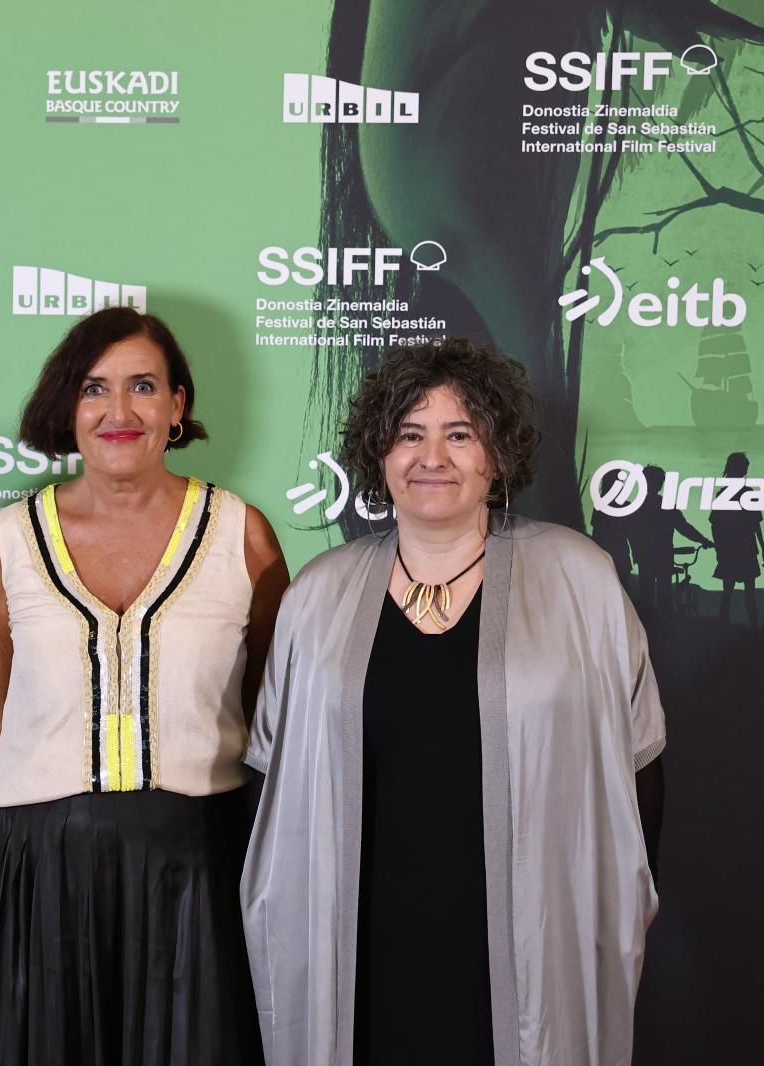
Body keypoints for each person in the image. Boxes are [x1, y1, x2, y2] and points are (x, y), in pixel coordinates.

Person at [240, 338, 666, 1066]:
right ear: (379, 454)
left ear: (497, 455)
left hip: (533, 941)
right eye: (410, 434)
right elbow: (269, 780)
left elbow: (640, 766)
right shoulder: (320, 593)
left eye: (459, 434)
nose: (431, 457)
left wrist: (619, 903)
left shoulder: (579, 578)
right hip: (362, 942)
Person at [0, 307, 289, 1066]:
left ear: (177, 406)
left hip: (198, 863)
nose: (119, 411)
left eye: (143, 386)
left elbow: (273, 705)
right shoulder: (12, 540)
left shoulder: (240, 533)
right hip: (41, 870)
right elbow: (1, 709)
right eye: (93, 388)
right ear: (66, 407)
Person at [627, 464, 712, 611]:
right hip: (662, 555)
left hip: (647, 556)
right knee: (663, 595)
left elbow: (631, 533)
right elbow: (684, 528)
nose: (660, 484)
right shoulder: (665, 505)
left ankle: (651, 620)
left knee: (648, 594)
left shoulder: (637, 506)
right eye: (659, 481)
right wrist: (703, 540)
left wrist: (636, 552)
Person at [711, 452, 764, 628]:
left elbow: (715, 525)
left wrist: (719, 548)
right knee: (746, 593)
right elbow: (755, 524)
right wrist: (763, 548)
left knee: (729, 592)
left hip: (733, 549)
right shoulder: (746, 493)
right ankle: (753, 630)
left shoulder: (724, 494)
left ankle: (728, 628)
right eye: (744, 467)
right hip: (743, 548)